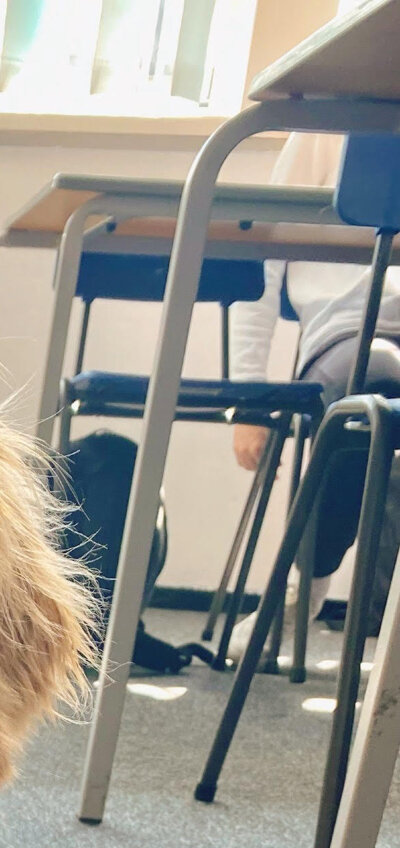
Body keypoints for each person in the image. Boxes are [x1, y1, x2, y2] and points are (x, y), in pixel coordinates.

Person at [229, 131, 400, 659]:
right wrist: (252, 402)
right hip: (354, 333)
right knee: (376, 381)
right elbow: (260, 269)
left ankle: (381, 618)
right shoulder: (326, 125)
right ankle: (308, 587)